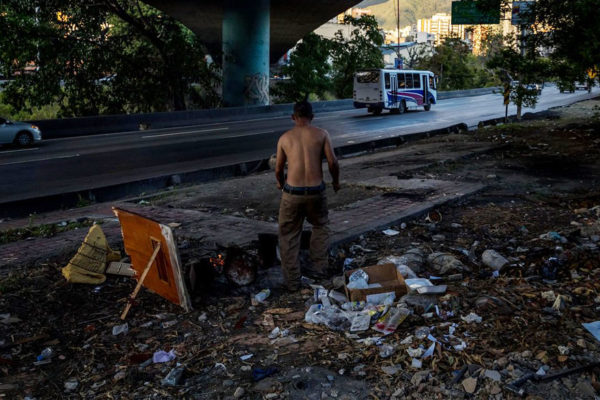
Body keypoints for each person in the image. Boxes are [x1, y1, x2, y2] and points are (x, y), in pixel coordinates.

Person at [275, 100, 340, 292]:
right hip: (316, 192)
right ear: (312, 117)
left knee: (288, 235)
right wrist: (336, 182)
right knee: (320, 226)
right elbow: (333, 162)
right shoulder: (321, 134)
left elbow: (278, 168)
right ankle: (318, 269)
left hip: (292, 193)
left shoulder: (285, 138)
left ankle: (292, 282)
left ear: (293, 117)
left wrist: (280, 183)